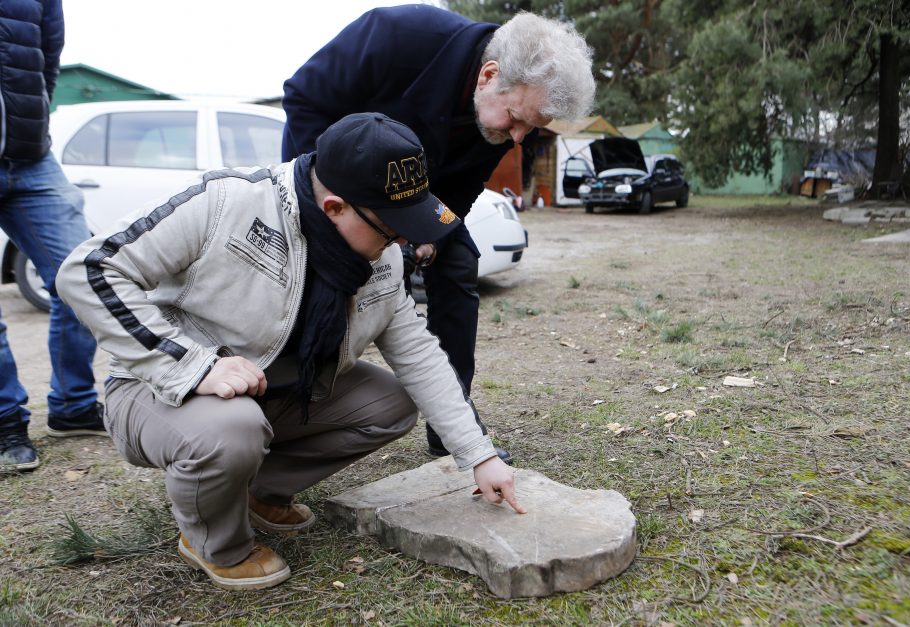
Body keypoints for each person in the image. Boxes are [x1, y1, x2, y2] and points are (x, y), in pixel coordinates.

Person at [56, 112, 523, 591]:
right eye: (390, 227)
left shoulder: (378, 259)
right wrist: (191, 366)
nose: (403, 241)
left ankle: (255, 492)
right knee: (232, 429)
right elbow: (90, 269)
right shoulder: (226, 203)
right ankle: (216, 541)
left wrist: (477, 455)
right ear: (336, 207)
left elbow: (419, 355)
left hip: (270, 391)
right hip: (156, 389)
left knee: (392, 403)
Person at [281, 6, 595, 462]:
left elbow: (464, 187)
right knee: (323, 286)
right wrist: (329, 204)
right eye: (516, 119)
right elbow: (303, 97)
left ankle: (452, 423)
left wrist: (431, 237)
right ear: (489, 75)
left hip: (415, 204)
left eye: (533, 128)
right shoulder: (397, 36)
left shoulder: (500, 122)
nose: (519, 139)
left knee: (460, 259)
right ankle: (289, 411)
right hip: (333, 193)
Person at [0, 0, 105, 472]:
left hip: (31, 157)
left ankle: (73, 406)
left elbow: (47, 54)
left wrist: (32, 119)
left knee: (82, 275)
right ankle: (5, 422)